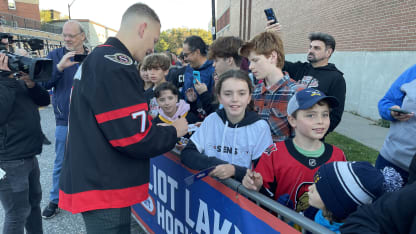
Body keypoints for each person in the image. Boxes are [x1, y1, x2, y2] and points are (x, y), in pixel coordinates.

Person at [58, 3, 188, 232]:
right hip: (105, 184)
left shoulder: (99, 57)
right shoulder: (115, 64)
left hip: (96, 176)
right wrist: (174, 130)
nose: (152, 48)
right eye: (154, 40)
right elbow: (134, 136)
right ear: (142, 28)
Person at [242, 88, 346, 218]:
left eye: (325, 114)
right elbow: (261, 198)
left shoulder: (338, 156)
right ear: (292, 120)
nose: (320, 121)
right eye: (311, 115)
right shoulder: (274, 154)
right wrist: (256, 186)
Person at [181, 70, 273, 181]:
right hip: (209, 191)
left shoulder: (260, 127)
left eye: (241, 93)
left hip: (239, 196)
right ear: (219, 98)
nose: (235, 99)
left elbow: (263, 174)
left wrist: (234, 170)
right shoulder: (212, 120)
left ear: (249, 98)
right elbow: (187, 154)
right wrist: (217, 164)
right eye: (228, 94)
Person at [39, 20, 89, 219]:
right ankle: (55, 199)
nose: (67, 39)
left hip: (88, 120)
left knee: (89, 160)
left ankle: (87, 197)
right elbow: (43, 84)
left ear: (82, 36)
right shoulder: (54, 56)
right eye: (64, 35)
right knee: (61, 161)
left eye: (72, 35)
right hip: (64, 119)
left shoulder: (93, 57)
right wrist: (58, 68)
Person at [0, 53, 50, 233]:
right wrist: (4, 77)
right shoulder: (6, 82)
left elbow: (44, 100)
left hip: (29, 155)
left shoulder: (16, 81)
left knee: (33, 206)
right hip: (9, 160)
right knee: (16, 214)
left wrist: (31, 84)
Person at [267, 23, 346, 134]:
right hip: (286, 130)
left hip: (311, 136)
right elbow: (274, 60)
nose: (310, 50)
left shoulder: (336, 78)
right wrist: (271, 37)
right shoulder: (299, 68)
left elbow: (335, 114)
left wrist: (317, 133)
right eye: (310, 47)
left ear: (328, 52)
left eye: (316, 48)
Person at [239, 31, 303, 142]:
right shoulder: (255, 92)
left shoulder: (297, 93)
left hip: (282, 157)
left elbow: (300, 141)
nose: (250, 67)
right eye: (249, 61)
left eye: (255, 60)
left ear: (273, 57)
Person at [309, 161, 402, 233]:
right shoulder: (315, 211)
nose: (310, 188)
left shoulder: (348, 231)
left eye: (319, 189)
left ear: (337, 205)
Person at [185, 36, 245, 119]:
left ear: (229, 60)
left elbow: (220, 117)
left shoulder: (240, 85)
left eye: (216, 61)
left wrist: (204, 94)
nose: (214, 65)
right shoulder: (226, 82)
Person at [376, 64, 416, 184]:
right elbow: (386, 102)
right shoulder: (413, 73)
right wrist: (392, 111)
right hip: (393, 161)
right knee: (378, 201)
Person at [152, 82, 199, 149]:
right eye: (162, 100)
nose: (167, 103)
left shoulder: (190, 117)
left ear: (176, 98)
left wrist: (188, 147)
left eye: (170, 98)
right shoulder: (156, 123)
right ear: (157, 101)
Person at [181, 35, 215, 103]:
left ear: (197, 52)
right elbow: (183, 94)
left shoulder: (214, 70)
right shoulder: (189, 69)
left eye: (186, 55)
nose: (184, 59)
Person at [143, 53, 171, 118]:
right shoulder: (146, 94)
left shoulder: (173, 91)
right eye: (149, 69)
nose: (152, 73)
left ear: (166, 71)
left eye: (156, 69)